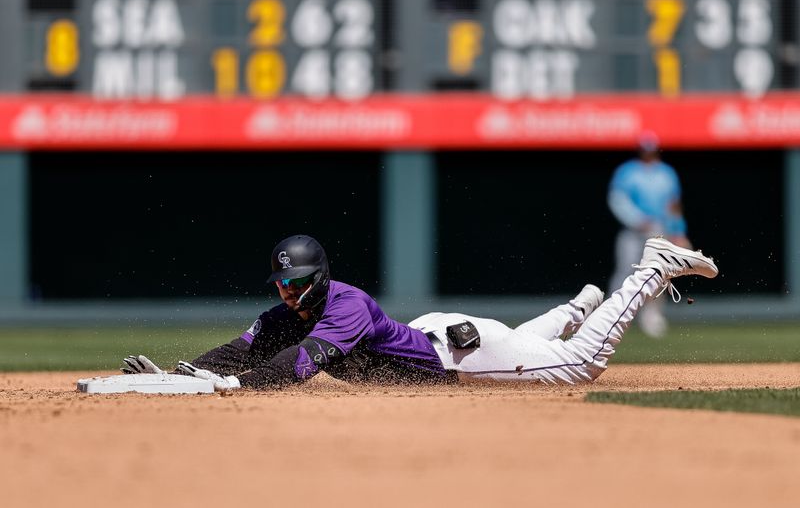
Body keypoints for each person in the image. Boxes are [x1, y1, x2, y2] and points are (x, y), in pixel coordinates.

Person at [122, 233, 718, 389]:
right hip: (441, 335)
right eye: (280, 282)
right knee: (533, 350)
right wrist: (181, 376)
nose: (286, 291)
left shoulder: (343, 307)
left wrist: (232, 386)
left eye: (296, 281)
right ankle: (577, 305)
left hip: (456, 356)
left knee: (582, 366)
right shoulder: (291, 310)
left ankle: (651, 269)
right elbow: (241, 349)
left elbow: (299, 369)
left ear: (319, 277)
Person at [608, 131, 691, 338]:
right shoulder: (627, 171)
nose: (648, 153)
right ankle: (611, 317)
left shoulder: (666, 173)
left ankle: (651, 317)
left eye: (651, 150)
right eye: (645, 150)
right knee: (624, 271)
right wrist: (635, 219)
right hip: (633, 229)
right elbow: (617, 199)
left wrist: (678, 231)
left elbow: (673, 205)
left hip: (658, 229)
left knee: (656, 274)